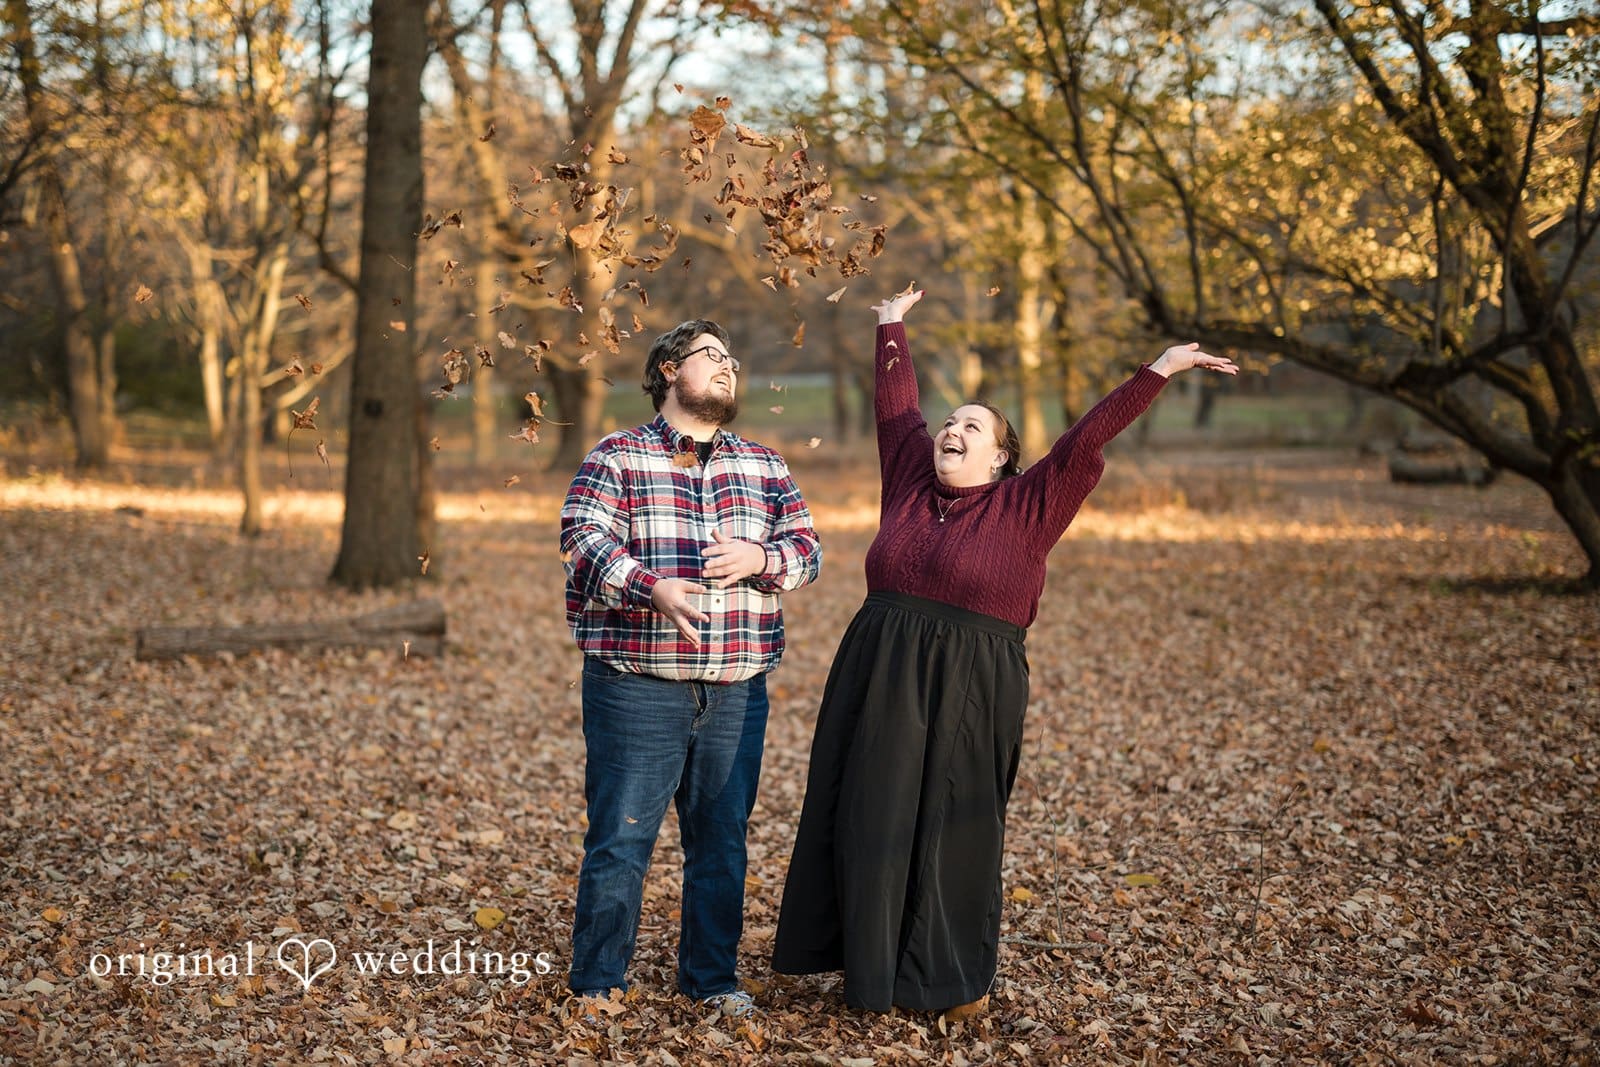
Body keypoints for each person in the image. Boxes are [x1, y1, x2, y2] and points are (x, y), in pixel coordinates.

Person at [771, 289, 1237, 1017]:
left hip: (974, 680)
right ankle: (867, 966)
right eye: (949, 422)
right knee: (870, 813)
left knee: (956, 823)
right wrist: (889, 325)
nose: (950, 430)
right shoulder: (909, 484)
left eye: (971, 426)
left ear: (1003, 454)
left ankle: (947, 979)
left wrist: (1161, 369)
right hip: (880, 669)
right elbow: (897, 411)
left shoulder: (1031, 503)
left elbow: (1085, 440)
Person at [560, 318, 823, 1019]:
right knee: (622, 836)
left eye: (733, 358)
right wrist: (651, 587)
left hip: (737, 690)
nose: (728, 366)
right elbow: (581, 539)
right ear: (670, 370)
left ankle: (710, 979)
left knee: (722, 841)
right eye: (712, 355)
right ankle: (598, 981)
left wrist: (761, 559)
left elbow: (808, 549)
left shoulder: (764, 465)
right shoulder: (617, 456)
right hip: (636, 686)